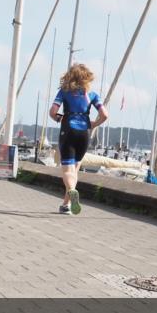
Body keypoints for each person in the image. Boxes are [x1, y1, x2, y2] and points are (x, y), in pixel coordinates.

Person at [49, 63, 109, 214]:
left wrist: (60, 119)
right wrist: (94, 124)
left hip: (68, 131)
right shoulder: (93, 94)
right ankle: (66, 205)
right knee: (75, 170)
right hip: (84, 133)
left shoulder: (64, 92)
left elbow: (53, 112)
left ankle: (73, 191)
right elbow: (105, 115)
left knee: (67, 171)